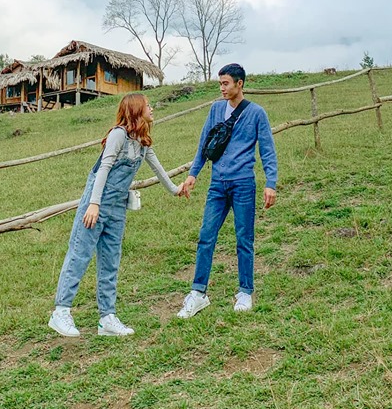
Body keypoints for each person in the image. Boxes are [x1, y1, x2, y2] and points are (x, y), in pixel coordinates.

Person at [49, 93, 185, 338]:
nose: (152, 108)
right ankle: (61, 311)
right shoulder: (118, 135)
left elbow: (158, 168)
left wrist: (176, 190)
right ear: (136, 110)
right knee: (80, 254)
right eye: (147, 105)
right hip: (96, 204)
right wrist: (93, 204)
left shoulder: (142, 141)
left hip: (117, 208)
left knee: (111, 261)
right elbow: (104, 168)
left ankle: (107, 319)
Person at [176, 63, 277, 317]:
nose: (221, 88)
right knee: (206, 236)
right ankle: (198, 293)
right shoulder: (215, 109)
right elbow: (205, 144)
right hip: (217, 184)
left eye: (226, 83)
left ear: (239, 84)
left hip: (243, 184)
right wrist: (193, 174)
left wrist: (271, 183)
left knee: (244, 239)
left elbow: (267, 150)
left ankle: (245, 292)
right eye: (220, 83)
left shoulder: (257, 113)